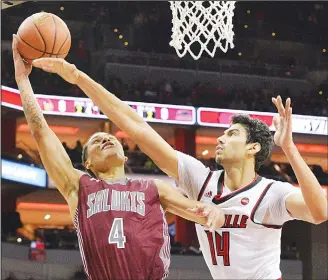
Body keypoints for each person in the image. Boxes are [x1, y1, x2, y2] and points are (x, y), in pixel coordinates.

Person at [31, 52, 327, 279]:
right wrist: (78, 78)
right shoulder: (201, 181)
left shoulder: (272, 193)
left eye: (232, 134)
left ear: (253, 148)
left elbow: (320, 212)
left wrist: (288, 148)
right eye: (223, 132)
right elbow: (136, 126)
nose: (221, 138)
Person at [12, 36, 226, 280]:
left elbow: (200, 211)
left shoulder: (154, 188)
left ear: (125, 157)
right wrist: (22, 80)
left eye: (111, 138)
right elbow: (40, 131)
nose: (106, 139)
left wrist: (214, 213)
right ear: (88, 164)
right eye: (95, 141)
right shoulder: (79, 188)